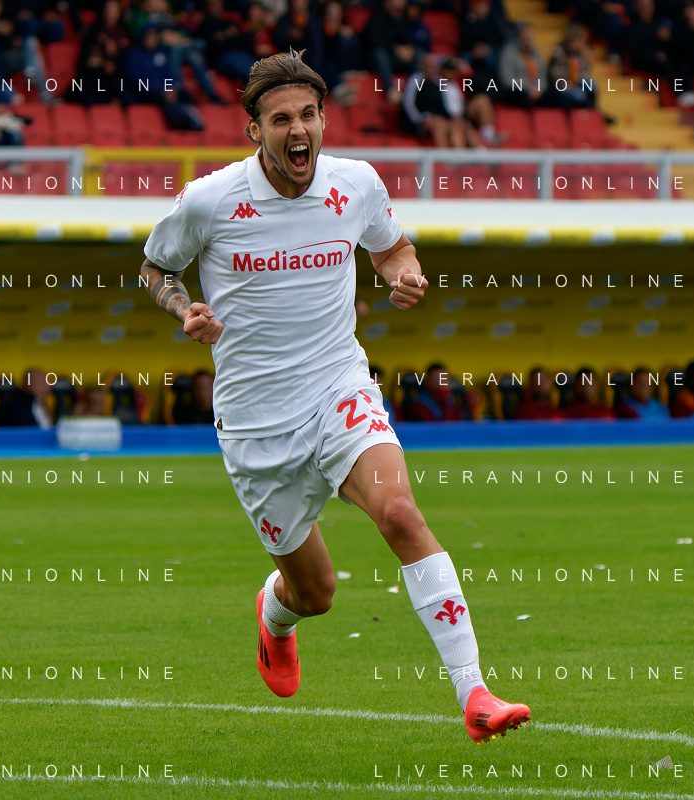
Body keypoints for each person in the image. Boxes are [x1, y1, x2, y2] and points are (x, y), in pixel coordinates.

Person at [139, 49, 530, 744]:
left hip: (337, 386)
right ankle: (274, 616)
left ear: (323, 120)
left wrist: (404, 274)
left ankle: (474, 692)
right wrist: (183, 309)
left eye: (309, 115)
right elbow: (155, 268)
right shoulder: (209, 200)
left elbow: (392, 248)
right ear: (254, 130)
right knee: (315, 594)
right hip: (255, 419)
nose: (298, 130)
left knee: (400, 512)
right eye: (281, 119)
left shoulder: (357, 183)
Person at [497, 22, 545, 107]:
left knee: (556, 96)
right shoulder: (508, 52)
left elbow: (543, 77)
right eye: (525, 34)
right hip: (517, 91)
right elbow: (507, 79)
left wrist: (539, 89)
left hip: (537, 91)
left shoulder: (536, 54)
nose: (528, 37)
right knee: (522, 95)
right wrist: (528, 87)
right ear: (518, 35)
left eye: (530, 34)